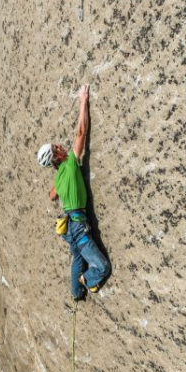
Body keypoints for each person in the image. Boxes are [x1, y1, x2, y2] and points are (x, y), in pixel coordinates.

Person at [37, 85, 111, 300]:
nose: (60, 145)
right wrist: (83, 100)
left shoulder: (59, 176)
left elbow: (52, 195)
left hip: (68, 227)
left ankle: (76, 294)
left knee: (78, 260)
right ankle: (86, 282)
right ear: (57, 156)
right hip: (77, 227)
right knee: (102, 266)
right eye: (56, 147)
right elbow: (82, 132)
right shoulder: (69, 163)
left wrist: (59, 190)